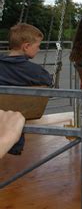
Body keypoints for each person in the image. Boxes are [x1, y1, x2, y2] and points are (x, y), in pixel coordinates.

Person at [0, 23, 52, 155]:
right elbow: (49, 84)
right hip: (15, 124)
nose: (39, 49)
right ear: (26, 46)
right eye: (38, 46)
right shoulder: (35, 72)